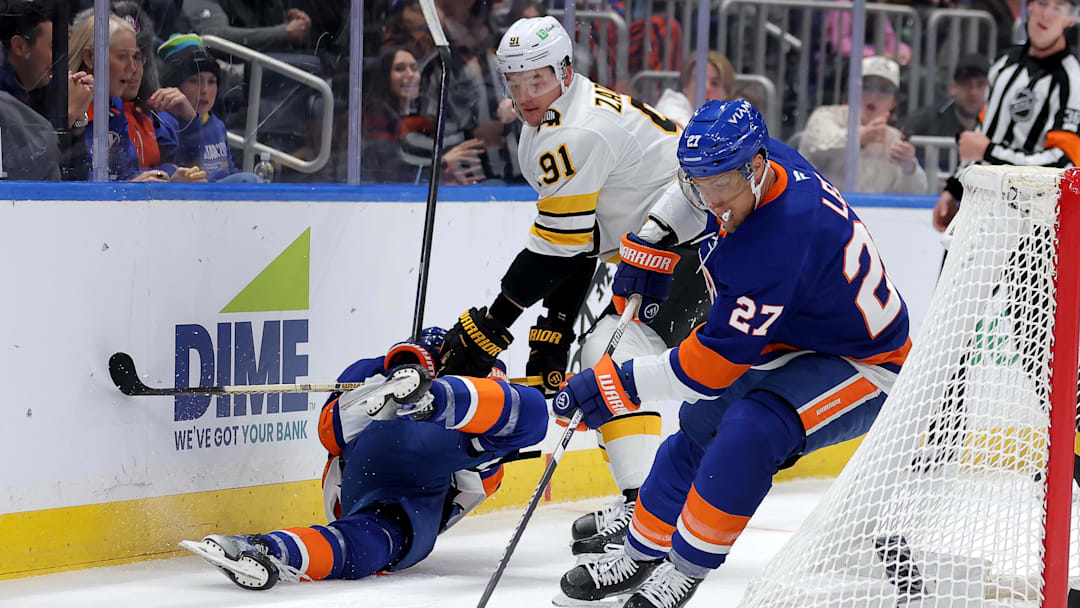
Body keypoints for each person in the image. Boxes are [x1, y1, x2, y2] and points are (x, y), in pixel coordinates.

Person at [550, 100, 911, 608]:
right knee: (698, 430)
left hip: (863, 363)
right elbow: (690, 190)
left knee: (750, 431)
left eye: (723, 184)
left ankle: (683, 570)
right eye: (703, 183)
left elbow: (708, 368)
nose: (713, 200)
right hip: (795, 335)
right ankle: (640, 553)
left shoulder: (775, 240)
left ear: (755, 166)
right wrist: (652, 240)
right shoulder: (761, 162)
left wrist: (614, 384)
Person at [436, 16, 714, 560]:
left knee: (612, 355)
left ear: (564, 71)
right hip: (674, 244)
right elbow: (581, 238)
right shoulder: (562, 113)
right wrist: (555, 325)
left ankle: (645, 510)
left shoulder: (572, 132)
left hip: (699, 246)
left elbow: (556, 249)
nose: (524, 94)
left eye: (535, 80)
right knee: (607, 355)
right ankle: (649, 503)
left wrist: (494, 324)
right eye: (513, 83)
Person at [181, 329, 548, 590]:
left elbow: (524, 423)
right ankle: (417, 393)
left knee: (368, 541)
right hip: (379, 474)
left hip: (404, 491)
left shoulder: (485, 445)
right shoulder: (483, 443)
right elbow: (331, 432)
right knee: (375, 540)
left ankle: (268, 549)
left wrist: (432, 390)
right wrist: (406, 359)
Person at [932, 0, 1080, 233]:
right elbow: (983, 132)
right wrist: (954, 188)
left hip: (1032, 225)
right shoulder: (1003, 62)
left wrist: (990, 152)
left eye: (1057, 8)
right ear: (1029, 7)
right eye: (1042, 3)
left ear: (1070, 20)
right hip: (979, 211)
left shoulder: (1072, 79)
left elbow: (1064, 164)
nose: (1046, 14)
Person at [799, 55, 928, 194]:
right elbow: (817, 148)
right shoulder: (825, 116)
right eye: (867, 87)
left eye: (884, 90)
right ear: (851, 92)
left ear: (893, 102)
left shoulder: (894, 139)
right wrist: (859, 137)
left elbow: (918, 193)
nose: (874, 95)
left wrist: (910, 168)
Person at [362, 42, 485, 184]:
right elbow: (389, 171)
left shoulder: (424, 118)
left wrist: (449, 175)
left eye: (414, 68)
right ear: (385, 76)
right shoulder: (375, 117)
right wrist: (442, 163)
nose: (411, 74)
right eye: (399, 69)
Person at [66, 13, 169, 182]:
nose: (133, 68)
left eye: (135, 57)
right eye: (122, 56)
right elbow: (68, 182)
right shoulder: (58, 103)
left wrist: (168, 177)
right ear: (90, 57)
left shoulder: (114, 106)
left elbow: (126, 171)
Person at [157, 33, 259, 182]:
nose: (204, 90)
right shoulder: (164, 123)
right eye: (194, 81)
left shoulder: (217, 124)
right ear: (175, 85)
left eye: (212, 81)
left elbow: (229, 171)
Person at [0, 0, 81, 180]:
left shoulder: (41, 93)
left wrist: (78, 125)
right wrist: (68, 115)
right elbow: (20, 173)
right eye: (53, 48)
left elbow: (74, 177)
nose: (59, 59)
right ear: (20, 47)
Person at [904, 54, 989, 172]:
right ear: (953, 87)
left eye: (980, 84)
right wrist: (927, 170)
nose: (973, 92)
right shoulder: (925, 121)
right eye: (966, 84)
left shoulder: (999, 122)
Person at [654, 51, 735, 129]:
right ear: (685, 85)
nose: (706, 88)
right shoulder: (671, 105)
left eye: (714, 83)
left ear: (726, 93)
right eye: (699, 80)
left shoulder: (732, 116)